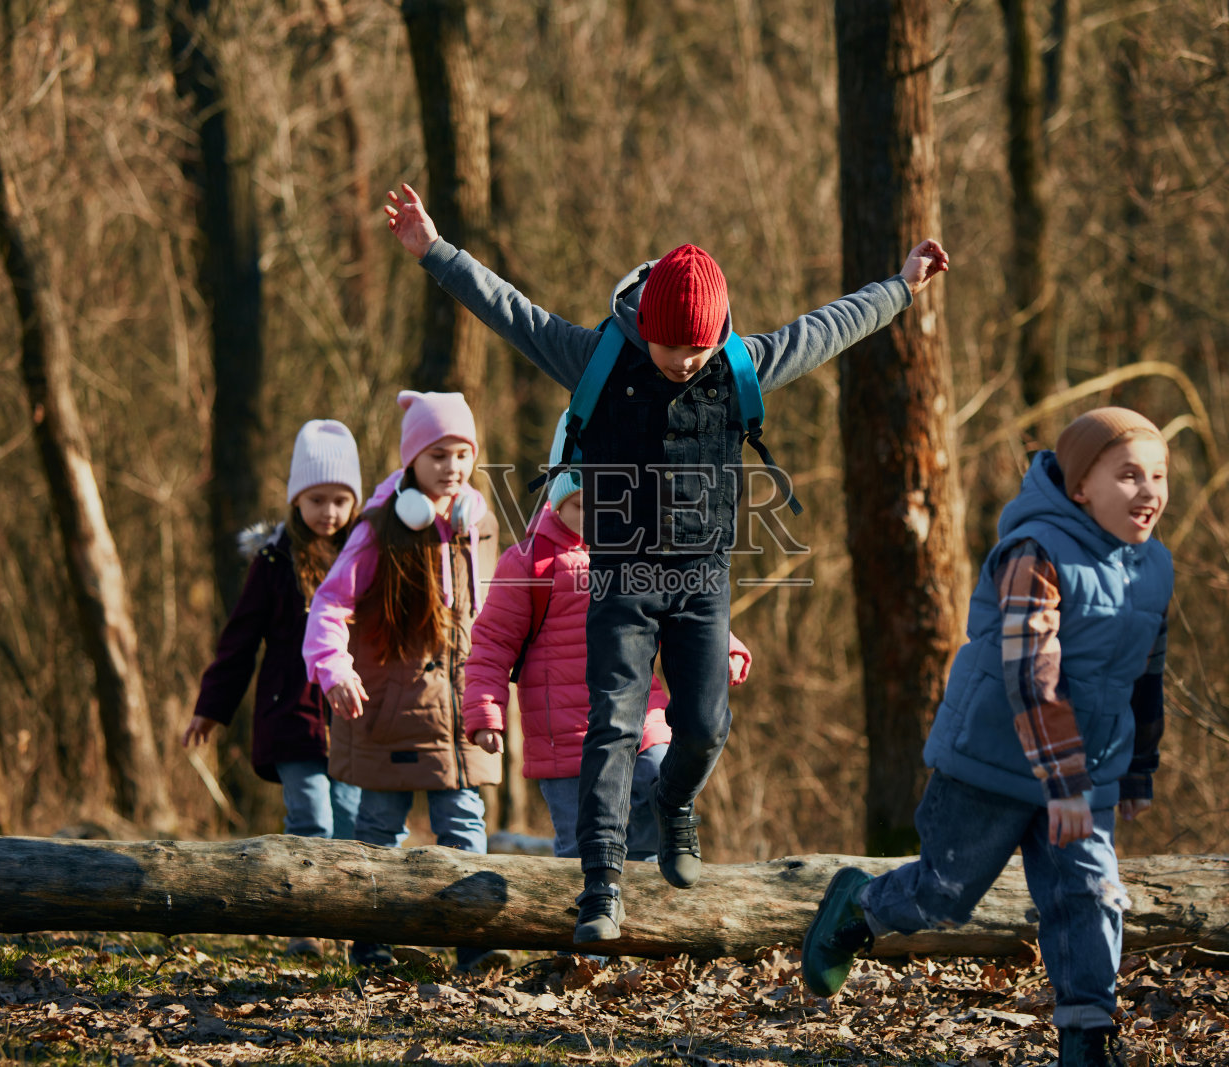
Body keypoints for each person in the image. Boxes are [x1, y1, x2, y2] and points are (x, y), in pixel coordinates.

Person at [383, 182, 949, 945]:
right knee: (612, 725)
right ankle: (601, 885)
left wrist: (901, 287)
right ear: (644, 327)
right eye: (672, 347)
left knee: (705, 726)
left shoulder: (738, 366)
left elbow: (826, 328)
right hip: (620, 573)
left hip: (699, 579)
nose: (685, 362)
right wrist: (434, 251)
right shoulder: (597, 358)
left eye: (699, 348)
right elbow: (512, 311)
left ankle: (676, 803)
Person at [800, 408, 1173, 1067]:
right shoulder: (1034, 551)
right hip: (991, 764)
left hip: (1081, 776)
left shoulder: (1154, 568)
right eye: (1128, 475)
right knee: (942, 895)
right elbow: (1032, 674)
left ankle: (1087, 1038)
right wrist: (1062, 779)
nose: (1149, 491)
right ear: (1080, 486)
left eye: (1159, 475)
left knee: (1090, 896)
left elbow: (1145, 676)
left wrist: (1137, 768)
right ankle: (858, 905)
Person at [462, 417, 753, 864]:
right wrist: (486, 712)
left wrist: (723, 648)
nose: (597, 517)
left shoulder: (646, 552)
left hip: (640, 719)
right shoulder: (529, 563)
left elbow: (686, 612)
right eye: (583, 505)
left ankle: (653, 889)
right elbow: (491, 644)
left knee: (660, 786)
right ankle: (592, 900)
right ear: (558, 500)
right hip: (567, 740)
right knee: (585, 850)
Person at [302, 390, 508, 974]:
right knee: (378, 830)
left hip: (461, 711)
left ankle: (474, 943)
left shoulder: (479, 525)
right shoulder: (378, 529)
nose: (452, 467)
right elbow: (329, 605)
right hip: (390, 712)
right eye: (438, 455)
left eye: (463, 454)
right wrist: (334, 668)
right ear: (412, 459)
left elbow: (498, 613)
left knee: (464, 826)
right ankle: (373, 943)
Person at [183, 419, 364, 958]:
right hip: (291, 714)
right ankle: (304, 924)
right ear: (296, 500)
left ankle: (349, 924)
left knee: (351, 822)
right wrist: (212, 707)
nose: (328, 512)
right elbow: (239, 640)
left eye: (340, 500)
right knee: (311, 818)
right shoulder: (273, 561)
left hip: (351, 717)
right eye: (316, 500)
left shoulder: (365, 556)